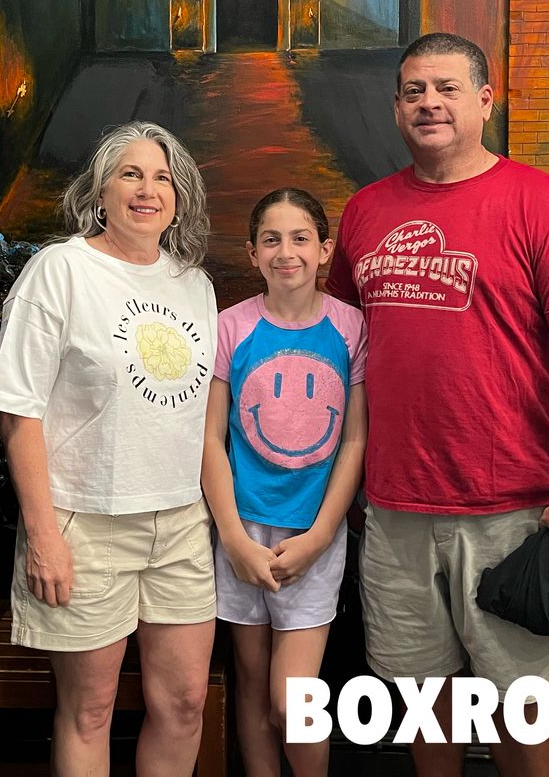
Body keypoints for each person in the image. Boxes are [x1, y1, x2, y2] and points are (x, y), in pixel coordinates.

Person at [324, 32, 549, 777]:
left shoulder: (546, 205)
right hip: (394, 509)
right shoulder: (364, 212)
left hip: (514, 513)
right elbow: (342, 352)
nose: (429, 102)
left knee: (523, 704)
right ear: (396, 108)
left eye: (447, 88)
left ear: (485, 101)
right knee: (425, 701)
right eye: (414, 91)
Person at [0, 121, 220, 777]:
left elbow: (198, 416)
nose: (148, 190)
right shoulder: (60, 270)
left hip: (180, 524)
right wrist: (43, 536)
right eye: (131, 174)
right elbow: (18, 412)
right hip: (83, 526)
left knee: (185, 704)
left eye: (163, 178)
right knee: (90, 710)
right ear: (100, 192)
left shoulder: (193, 284)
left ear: (179, 198)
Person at [201, 188, 367, 777]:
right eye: (271, 240)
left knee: (291, 701)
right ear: (253, 253)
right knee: (250, 687)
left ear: (325, 249)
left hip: (312, 537)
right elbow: (211, 439)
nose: (286, 252)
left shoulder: (350, 327)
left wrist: (320, 537)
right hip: (242, 531)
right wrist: (233, 538)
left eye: (300, 238)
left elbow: (354, 440)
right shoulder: (230, 326)